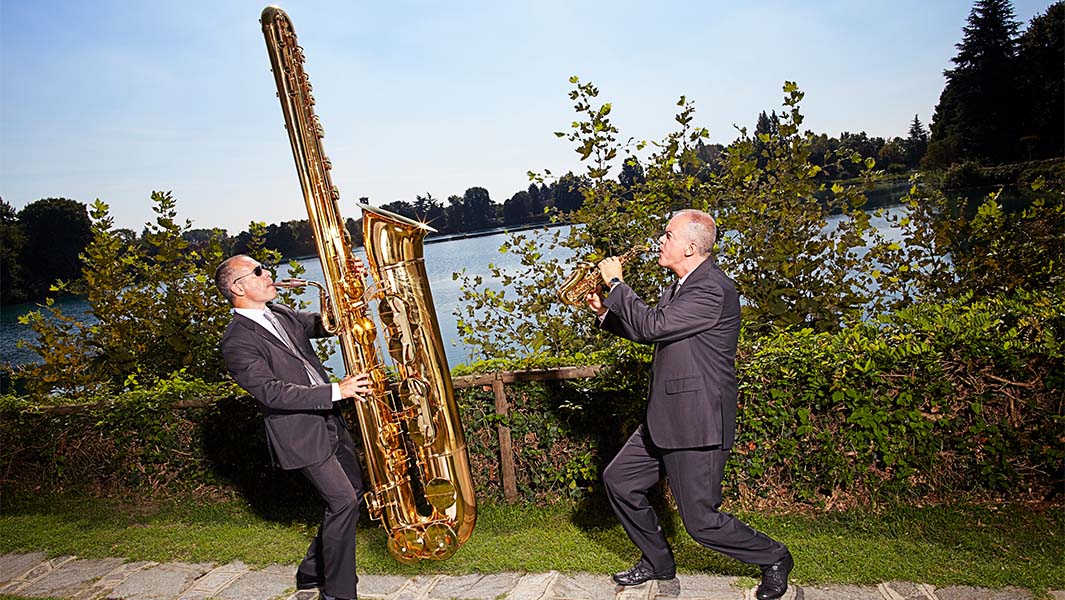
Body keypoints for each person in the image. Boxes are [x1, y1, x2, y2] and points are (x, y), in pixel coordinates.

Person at [586, 210, 794, 600]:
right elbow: (650, 328)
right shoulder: (680, 287)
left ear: (691, 247)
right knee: (619, 481)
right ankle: (658, 563)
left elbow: (652, 326)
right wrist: (605, 314)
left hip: (696, 421)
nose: (660, 241)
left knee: (701, 523)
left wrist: (617, 283)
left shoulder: (713, 289)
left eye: (667, 235)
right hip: (665, 416)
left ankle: (774, 557)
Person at [215, 254, 371, 600]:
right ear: (238, 287)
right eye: (259, 271)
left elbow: (325, 325)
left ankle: (310, 572)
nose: (268, 273)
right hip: (299, 433)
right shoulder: (235, 341)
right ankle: (339, 593)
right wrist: (336, 390)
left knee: (353, 494)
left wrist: (350, 285)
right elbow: (271, 391)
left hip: (330, 420)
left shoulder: (281, 313)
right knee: (344, 502)